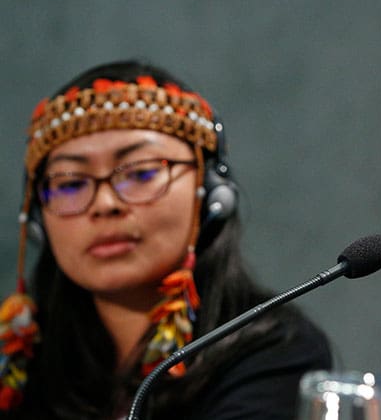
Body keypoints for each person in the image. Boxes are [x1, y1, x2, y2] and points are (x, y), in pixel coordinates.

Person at [0, 61, 332, 419]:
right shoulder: (21, 364)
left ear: (210, 194)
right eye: (69, 183)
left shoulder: (273, 352)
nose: (104, 204)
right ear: (36, 219)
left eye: (141, 172)